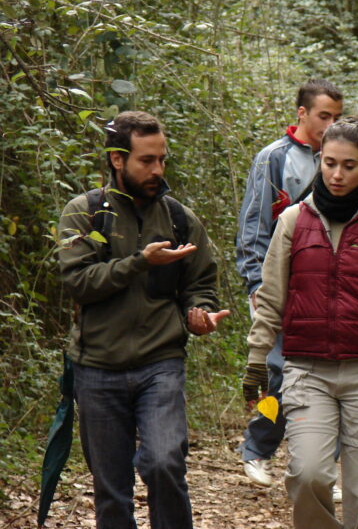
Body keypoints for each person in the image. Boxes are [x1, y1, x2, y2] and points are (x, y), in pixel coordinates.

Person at [244, 116, 358, 529]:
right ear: (319, 161)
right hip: (308, 372)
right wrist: (257, 359)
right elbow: (271, 297)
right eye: (329, 163)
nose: (337, 174)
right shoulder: (293, 221)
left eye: (348, 165)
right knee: (308, 475)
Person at [57, 111, 230, 529]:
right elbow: (78, 282)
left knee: (164, 463)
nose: (158, 170)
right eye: (146, 160)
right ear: (117, 160)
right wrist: (138, 262)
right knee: (111, 489)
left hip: (160, 363)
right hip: (97, 367)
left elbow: (201, 282)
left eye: (162, 159)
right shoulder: (85, 214)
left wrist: (200, 313)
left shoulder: (179, 218)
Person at [236, 79, 343, 490]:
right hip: (276, 288)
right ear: (302, 114)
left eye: (337, 116)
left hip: (326, 290)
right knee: (279, 373)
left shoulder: (340, 159)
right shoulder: (273, 159)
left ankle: (319, 467)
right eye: (323, 116)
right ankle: (257, 448)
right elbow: (253, 226)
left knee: (329, 375)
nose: (330, 123)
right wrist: (256, 283)